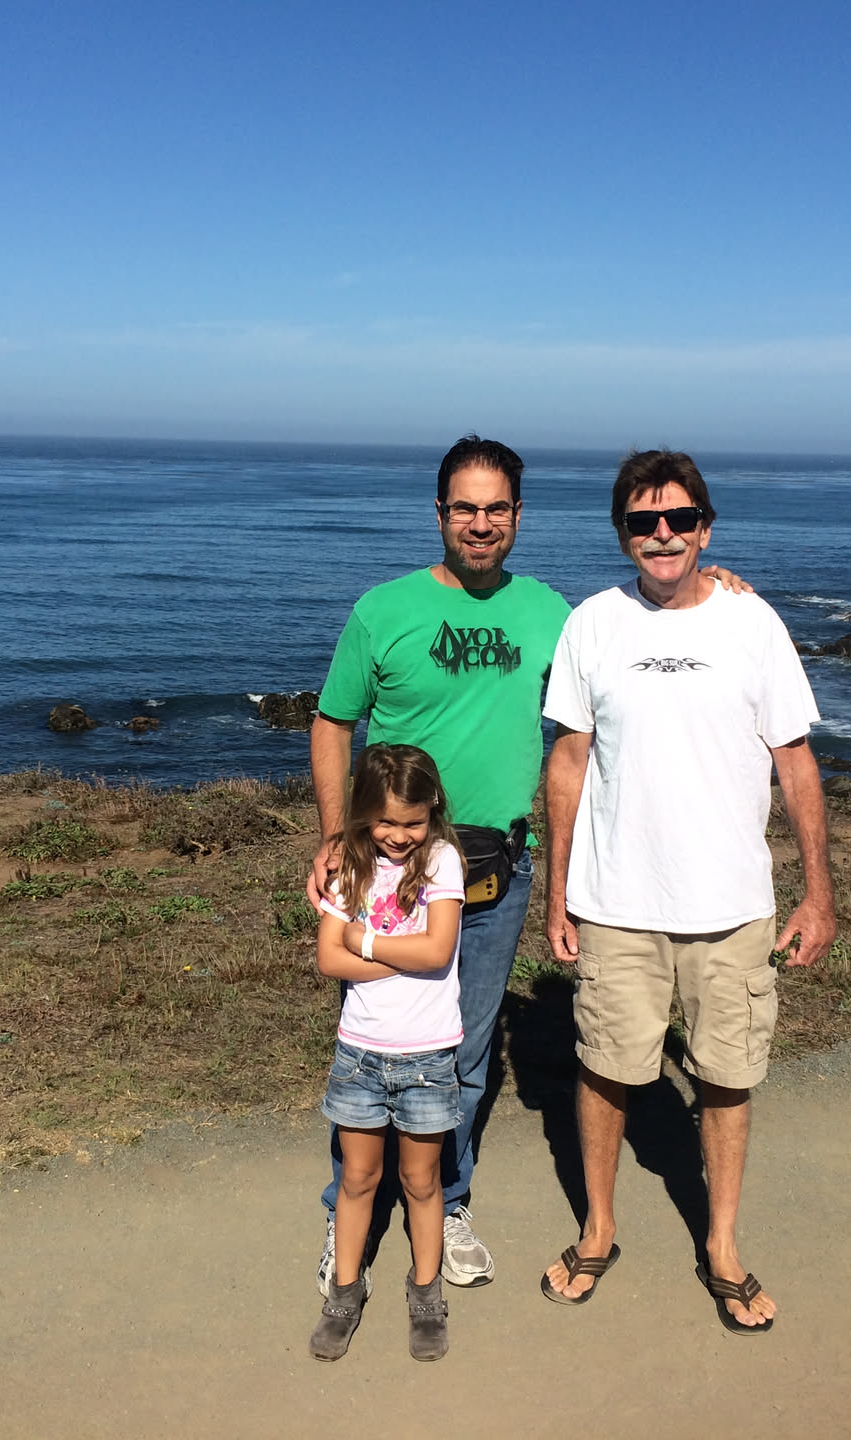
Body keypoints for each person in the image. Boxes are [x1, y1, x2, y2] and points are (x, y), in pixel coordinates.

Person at [307, 434, 747, 1296]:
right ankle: (348, 1210)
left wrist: (715, 587)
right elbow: (332, 722)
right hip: (389, 872)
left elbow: (637, 645)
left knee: (464, 1051)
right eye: (465, 509)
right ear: (440, 514)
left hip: (494, 872)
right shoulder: (381, 611)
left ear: (518, 516)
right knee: (369, 1047)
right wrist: (332, 839)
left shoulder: (556, 615)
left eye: (496, 509)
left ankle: (447, 1201)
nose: (480, 524)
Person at [539, 449, 836, 1335]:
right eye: (643, 521)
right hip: (615, 901)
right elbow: (569, 761)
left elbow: (795, 761)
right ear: (622, 533)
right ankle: (598, 1229)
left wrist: (818, 895)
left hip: (732, 906)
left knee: (727, 1077)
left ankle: (723, 1244)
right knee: (605, 1068)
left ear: (706, 528)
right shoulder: (592, 623)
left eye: (678, 519)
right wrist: (557, 893)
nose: (662, 534)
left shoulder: (753, 621)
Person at [310, 744, 466, 1363]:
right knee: (358, 1178)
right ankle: (344, 1292)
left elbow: (438, 951)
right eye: (386, 822)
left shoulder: (443, 861)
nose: (400, 836)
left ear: (432, 812)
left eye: (413, 822)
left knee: (421, 1181)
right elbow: (329, 958)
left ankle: (426, 1292)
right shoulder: (349, 865)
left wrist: (367, 941)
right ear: (362, 813)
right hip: (360, 1055)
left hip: (427, 1057)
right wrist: (402, 958)